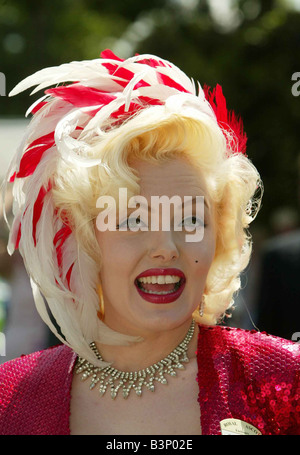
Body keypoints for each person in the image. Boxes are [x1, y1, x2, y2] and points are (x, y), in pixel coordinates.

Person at [0, 50, 299, 436]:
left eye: (191, 220)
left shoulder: (284, 383)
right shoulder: (9, 401)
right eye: (133, 220)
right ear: (84, 241)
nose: (166, 247)